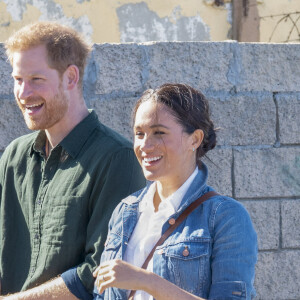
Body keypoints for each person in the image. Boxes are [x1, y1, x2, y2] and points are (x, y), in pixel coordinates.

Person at [0, 22, 145, 299]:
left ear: (70, 77)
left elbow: (99, 272)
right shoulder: (14, 157)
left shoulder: (118, 159)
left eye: (36, 80)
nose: (23, 93)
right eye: (18, 79)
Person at [93, 83, 258, 300]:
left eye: (159, 133)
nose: (145, 145)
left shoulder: (226, 217)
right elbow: (100, 294)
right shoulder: (125, 211)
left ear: (195, 139)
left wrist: (147, 281)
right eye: (139, 133)